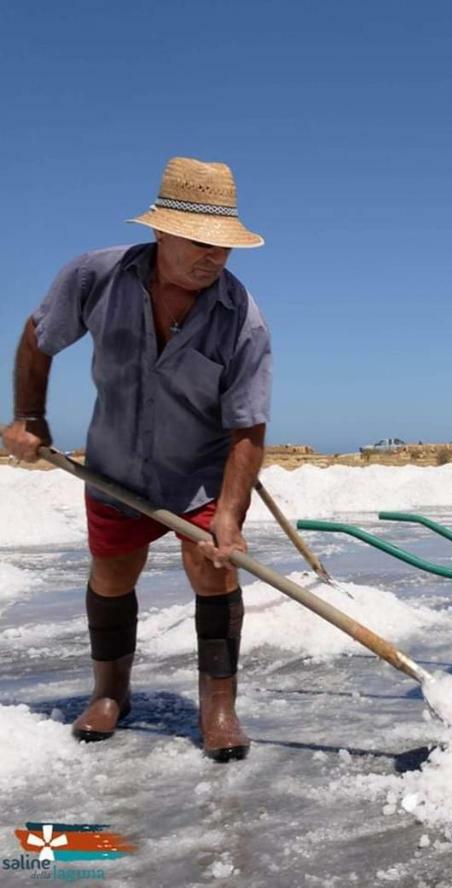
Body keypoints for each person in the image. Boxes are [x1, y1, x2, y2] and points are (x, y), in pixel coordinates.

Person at [2, 157, 272, 758]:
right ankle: (109, 694)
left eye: (224, 247)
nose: (215, 258)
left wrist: (229, 514)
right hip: (114, 469)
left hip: (199, 475)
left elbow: (248, 426)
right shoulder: (94, 277)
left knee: (214, 569)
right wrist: (30, 418)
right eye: (201, 243)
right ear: (161, 232)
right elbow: (37, 335)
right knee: (112, 574)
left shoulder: (242, 320)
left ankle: (219, 708)